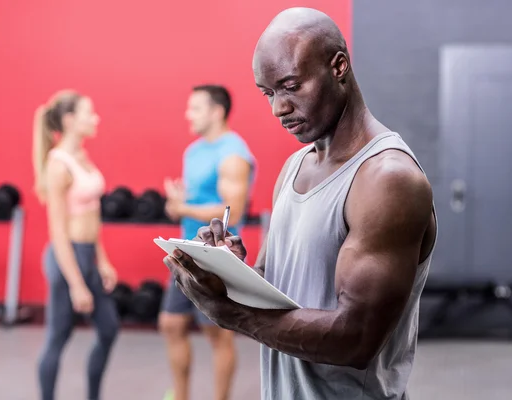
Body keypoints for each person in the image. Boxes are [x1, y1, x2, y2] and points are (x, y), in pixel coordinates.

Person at [162, 7, 438, 400]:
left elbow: (356, 340)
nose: (278, 108)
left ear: (338, 66)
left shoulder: (387, 179)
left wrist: (232, 313)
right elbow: (281, 291)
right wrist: (229, 272)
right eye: (268, 93)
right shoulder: (297, 165)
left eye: (291, 86)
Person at [160, 84, 255, 400]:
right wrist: (178, 203)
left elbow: (234, 209)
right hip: (184, 249)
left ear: (216, 112)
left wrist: (183, 207)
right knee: (171, 324)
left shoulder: (233, 154)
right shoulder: (194, 151)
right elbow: (195, 199)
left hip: (216, 255)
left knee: (217, 334)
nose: (188, 114)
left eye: (195, 108)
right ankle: (182, 395)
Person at [33, 90, 120, 400]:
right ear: (69, 121)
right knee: (58, 336)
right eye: (89, 113)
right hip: (65, 258)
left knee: (109, 329)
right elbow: (58, 232)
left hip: (87, 255)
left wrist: (103, 260)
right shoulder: (58, 165)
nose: (95, 118)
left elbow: (91, 217)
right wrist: (76, 284)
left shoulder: (82, 156)